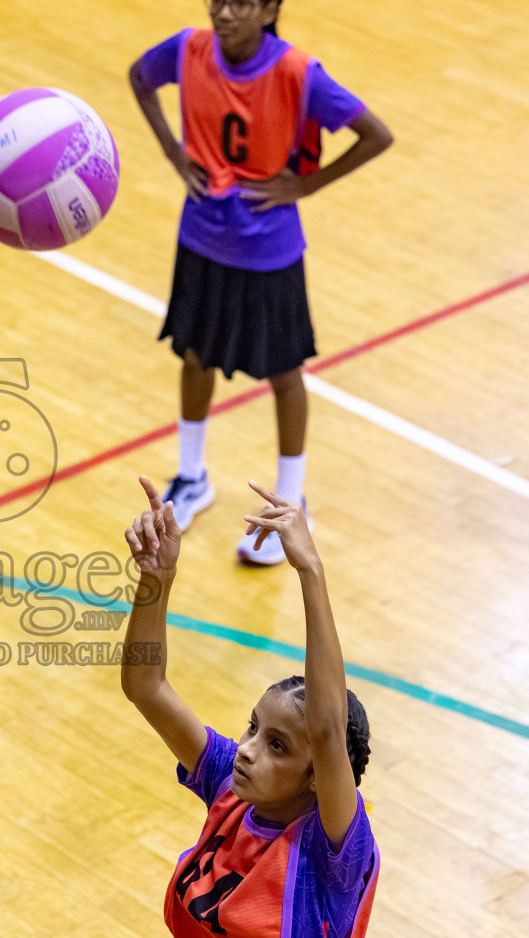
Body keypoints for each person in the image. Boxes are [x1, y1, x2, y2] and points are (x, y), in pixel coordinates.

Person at [128, 0, 392, 564]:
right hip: (200, 234)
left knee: (284, 372)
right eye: (217, 1)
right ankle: (192, 477)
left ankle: (290, 504)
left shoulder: (297, 71)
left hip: (268, 249)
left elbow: (375, 134)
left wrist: (307, 186)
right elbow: (139, 76)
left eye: (242, 3)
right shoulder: (187, 49)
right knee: (194, 355)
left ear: (269, 9)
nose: (224, 13)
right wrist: (175, 154)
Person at [120, 475, 378, 938]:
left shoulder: (332, 851)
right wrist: (156, 580)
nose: (247, 750)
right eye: (252, 728)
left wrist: (311, 569)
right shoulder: (229, 788)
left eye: (277, 745)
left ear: (318, 777)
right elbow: (146, 686)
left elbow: (329, 732)